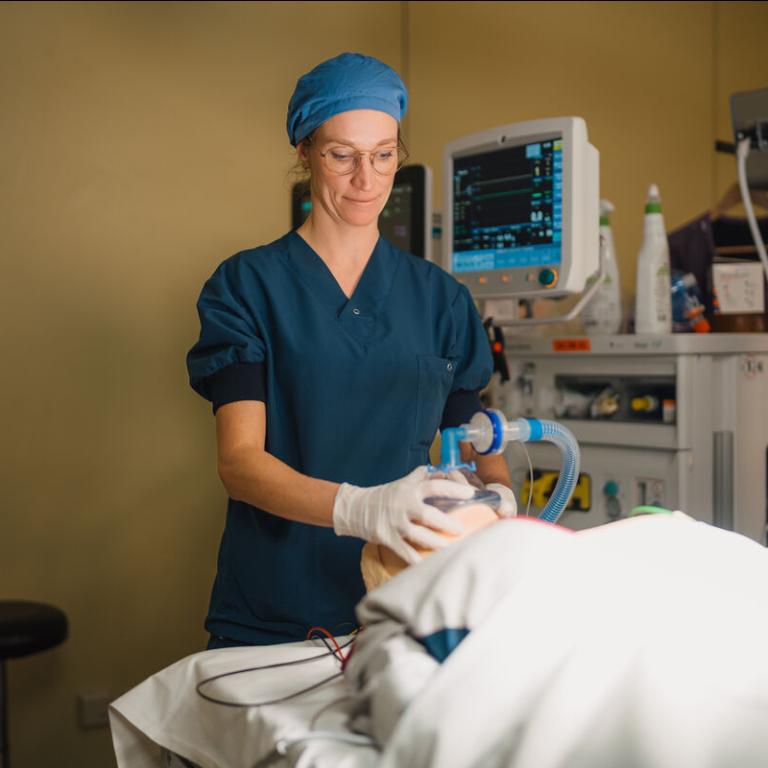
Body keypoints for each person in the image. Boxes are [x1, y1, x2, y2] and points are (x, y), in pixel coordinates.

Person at [186, 52, 515, 648]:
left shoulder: (439, 299)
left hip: (411, 606)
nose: (368, 180)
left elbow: (474, 437)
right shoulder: (246, 287)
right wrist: (361, 510)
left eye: (384, 155)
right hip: (276, 614)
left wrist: (498, 495)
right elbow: (239, 463)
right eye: (343, 156)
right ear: (305, 152)